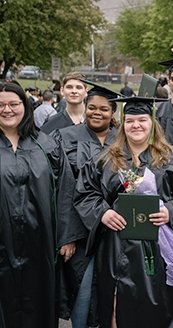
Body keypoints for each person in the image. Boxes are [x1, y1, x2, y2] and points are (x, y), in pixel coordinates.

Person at [74, 96, 173, 328]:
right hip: (116, 247)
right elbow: (85, 193)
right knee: (116, 306)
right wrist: (102, 212)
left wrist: (171, 212)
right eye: (130, 120)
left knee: (159, 307)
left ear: (152, 123)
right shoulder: (105, 159)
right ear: (123, 125)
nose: (136, 125)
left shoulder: (172, 158)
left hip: (158, 247)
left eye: (142, 120)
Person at [0, 82, 77, 327]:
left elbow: (66, 189)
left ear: (25, 106)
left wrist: (67, 236)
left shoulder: (46, 145)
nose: (7, 110)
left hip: (41, 242)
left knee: (39, 300)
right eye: (0, 105)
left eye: (14, 104)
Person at [52, 81, 121, 328]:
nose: (97, 112)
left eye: (104, 109)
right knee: (82, 291)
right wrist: (67, 235)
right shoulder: (64, 137)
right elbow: (61, 189)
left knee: (113, 292)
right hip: (80, 231)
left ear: (113, 112)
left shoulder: (122, 139)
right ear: (85, 107)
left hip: (116, 229)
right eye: (92, 107)